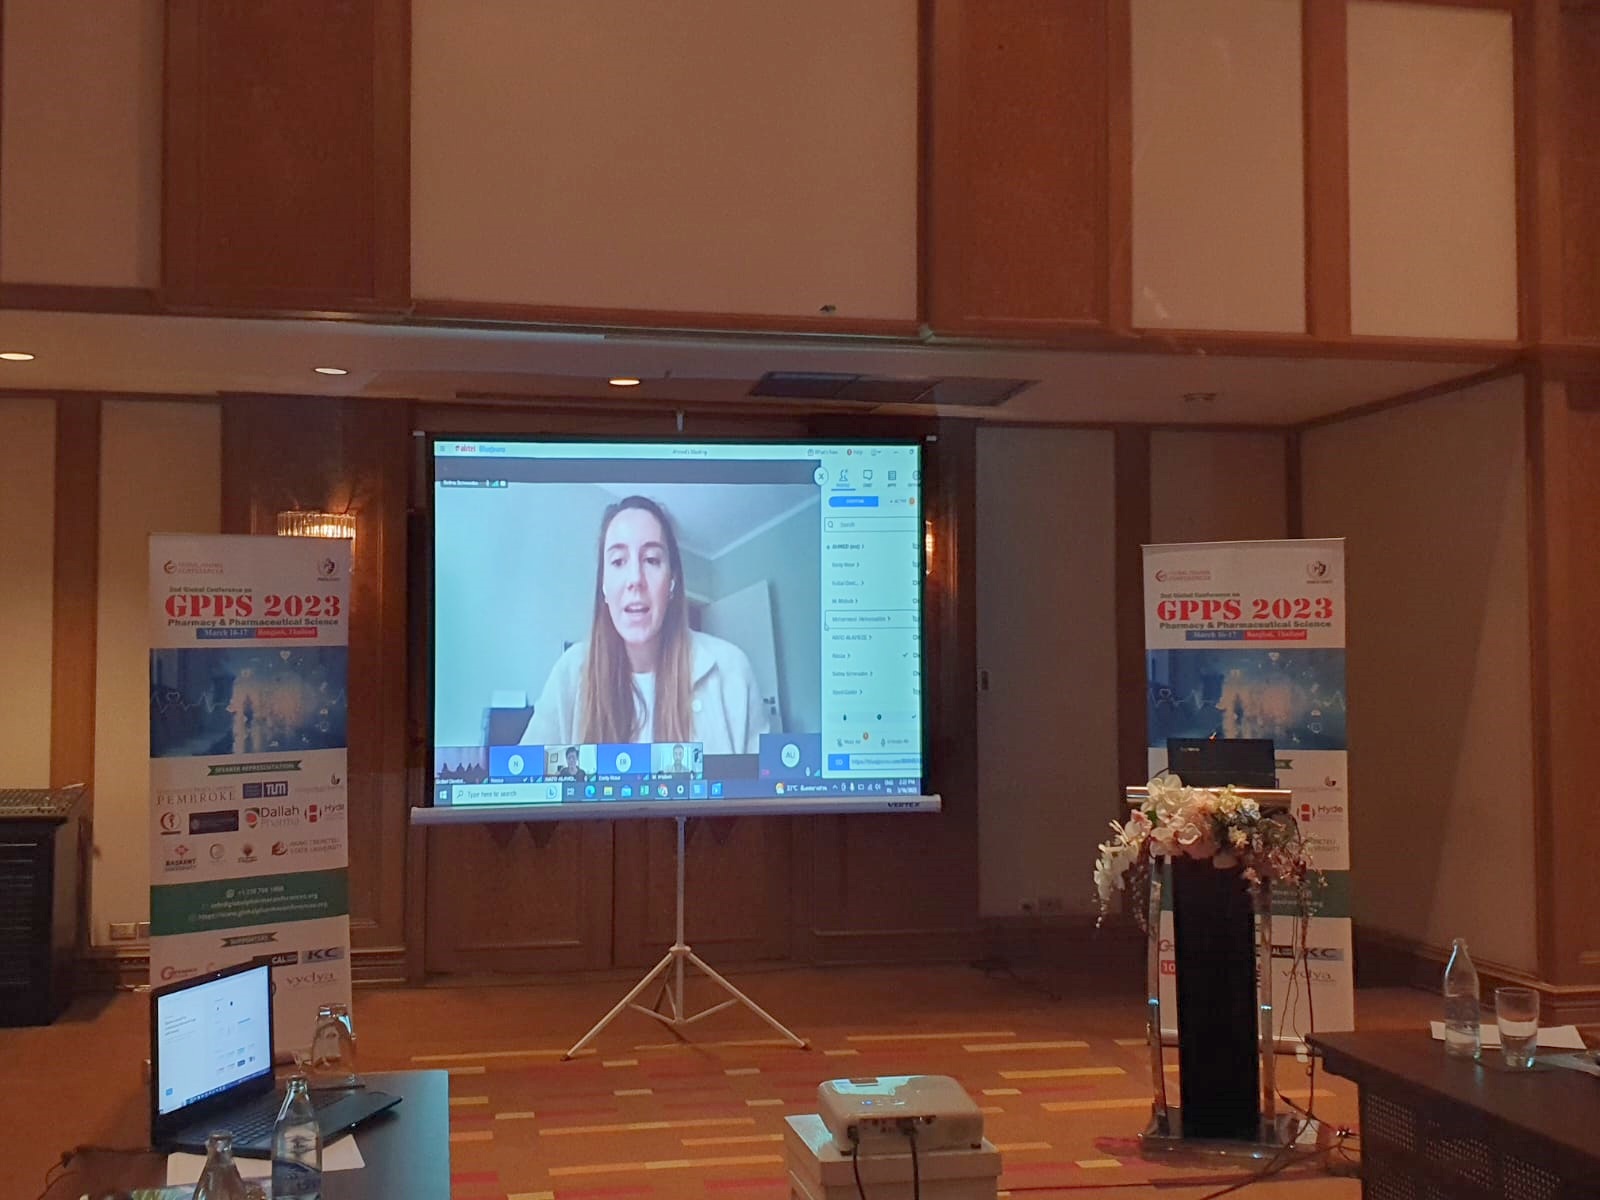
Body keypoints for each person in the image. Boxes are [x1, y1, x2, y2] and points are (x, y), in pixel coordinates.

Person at [521, 496, 769, 754]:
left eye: (651, 560)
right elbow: (526, 774)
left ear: (672, 581)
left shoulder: (732, 670)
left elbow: (765, 777)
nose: (635, 579)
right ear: (603, 585)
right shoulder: (569, 674)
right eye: (618, 561)